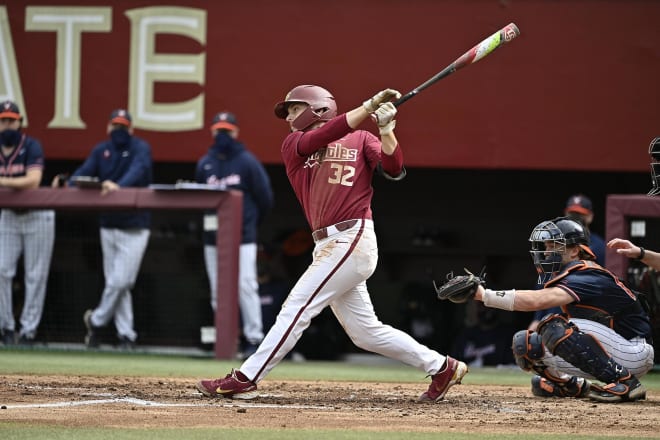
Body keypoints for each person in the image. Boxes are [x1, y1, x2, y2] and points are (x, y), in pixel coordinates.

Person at [196, 85, 468, 402]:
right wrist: (367, 107)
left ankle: (245, 378)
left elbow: (393, 169)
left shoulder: (362, 139)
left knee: (296, 307)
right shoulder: (295, 144)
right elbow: (323, 136)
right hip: (326, 244)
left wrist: (386, 130)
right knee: (365, 332)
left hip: (352, 237)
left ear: (320, 108)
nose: (289, 117)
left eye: (295, 109)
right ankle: (442, 367)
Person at [471, 216, 654, 402]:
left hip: (634, 350)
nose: (547, 252)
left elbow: (537, 300)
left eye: (554, 246)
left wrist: (484, 295)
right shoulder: (571, 274)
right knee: (525, 344)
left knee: (553, 327)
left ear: (575, 250)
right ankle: (571, 385)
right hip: (612, 348)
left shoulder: (587, 273)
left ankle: (625, 382)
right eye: (547, 246)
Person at [56, 109, 152, 349]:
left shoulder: (140, 148)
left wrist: (118, 186)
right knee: (117, 284)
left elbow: (138, 170)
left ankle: (97, 321)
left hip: (135, 226)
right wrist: (67, 183)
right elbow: (84, 172)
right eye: (115, 125)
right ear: (109, 128)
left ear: (131, 129)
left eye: (123, 126)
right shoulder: (102, 150)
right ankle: (126, 335)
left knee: (120, 282)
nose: (119, 130)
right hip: (109, 225)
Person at [195, 111, 274, 357]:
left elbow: (265, 199)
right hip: (213, 239)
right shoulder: (204, 164)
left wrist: (249, 225)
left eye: (227, 131)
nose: (223, 135)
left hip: (243, 238)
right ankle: (224, 338)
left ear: (236, 132)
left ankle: (254, 338)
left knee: (245, 285)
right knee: (218, 289)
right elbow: (198, 199)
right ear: (212, 132)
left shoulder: (247, 162)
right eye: (219, 131)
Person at [0, 100, 55, 346]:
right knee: (1, 270)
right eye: (3, 120)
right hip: (9, 215)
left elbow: (33, 180)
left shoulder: (31, 145)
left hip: (37, 214)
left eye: (11, 120)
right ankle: (6, 327)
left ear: (20, 121)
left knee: (35, 276)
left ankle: (28, 331)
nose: (7, 124)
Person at [527, 193, 606, 331]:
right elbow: (545, 278)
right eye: (572, 213)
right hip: (553, 311)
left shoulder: (600, 246)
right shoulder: (555, 242)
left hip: (582, 315)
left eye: (580, 214)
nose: (576, 218)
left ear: (590, 216)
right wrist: (537, 318)